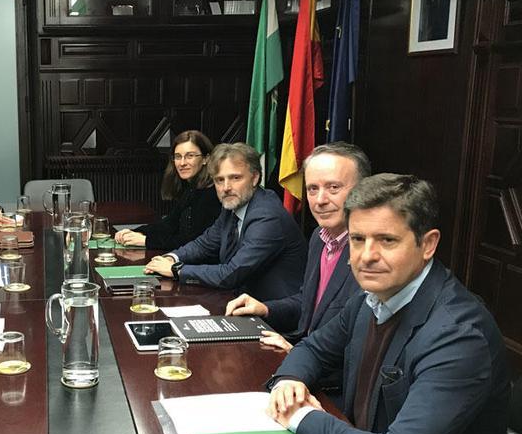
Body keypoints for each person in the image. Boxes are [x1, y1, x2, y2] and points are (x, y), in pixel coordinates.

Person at [266, 174, 511, 434]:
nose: (367, 256)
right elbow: (313, 348)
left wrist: (300, 417)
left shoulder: (458, 335)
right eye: (357, 239)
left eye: (387, 240)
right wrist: (288, 381)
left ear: (428, 244)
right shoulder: (368, 298)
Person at [225, 142, 370, 343]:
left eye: (333, 187)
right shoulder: (320, 237)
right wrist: (266, 308)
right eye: (312, 189)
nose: (320, 200)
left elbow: (359, 344)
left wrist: (295, 354)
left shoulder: (370, 252)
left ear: (362, 190)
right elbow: (308, 302)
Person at [144, 143, 306, 301]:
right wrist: (173, 258)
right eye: (219, 180)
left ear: (255, 178)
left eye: (235, 178)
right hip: (240, 301)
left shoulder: (267, 216)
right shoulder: (232, 206)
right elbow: (205, 243)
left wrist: (176, 269)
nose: (226, 187)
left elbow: (231, 273)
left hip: (274, 314)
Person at [114, 130, 221, 250]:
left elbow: (194, 242)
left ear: (206, 159)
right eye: (178, 157)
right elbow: (168, 224)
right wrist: (134, 232)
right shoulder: (190, 189)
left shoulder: (212, 193)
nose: (182, 163)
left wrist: (147, 241)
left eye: (190, 156)